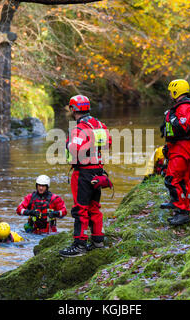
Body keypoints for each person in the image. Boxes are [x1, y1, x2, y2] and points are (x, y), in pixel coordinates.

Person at [59, 95, 112, 257]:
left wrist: (68, 144)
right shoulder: (100, 125)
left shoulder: (79, 128)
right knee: (94, 207)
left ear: (74, 109)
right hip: (98, 172)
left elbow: (74, 148)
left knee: (80, 209)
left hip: (83, 172)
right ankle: (97, 241)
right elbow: (108, 143)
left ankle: (79, 245)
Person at [159, 79, 190, 227]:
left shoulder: (184, 107)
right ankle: (180, 205)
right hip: (181, 147)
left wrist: (171, 117)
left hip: (182, 148)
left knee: (173, 179)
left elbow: (181, 127)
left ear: (176, 91)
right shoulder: (184, 106)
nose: (169, 94)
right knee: (183, 179)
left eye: (171, 91)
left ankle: (182, 211)